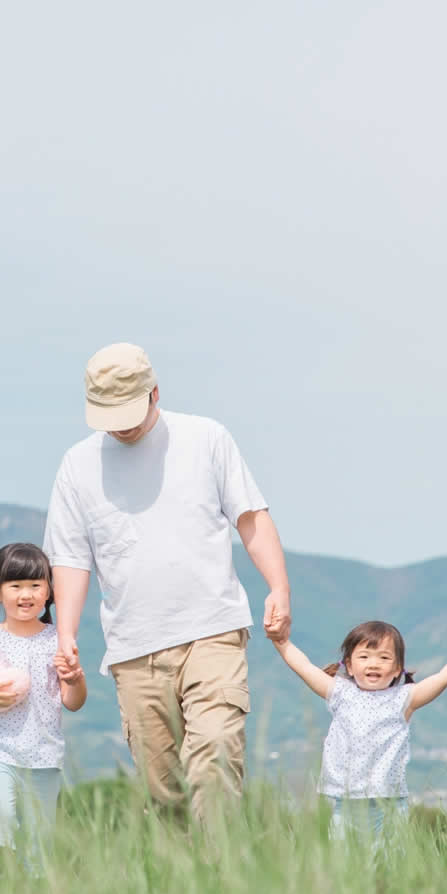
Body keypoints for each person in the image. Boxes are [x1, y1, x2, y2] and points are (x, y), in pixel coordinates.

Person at [44, 342, 291, 825]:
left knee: (214, 758)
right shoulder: (78, 465)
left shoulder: (206, 438)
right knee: (165, 795)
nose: (121, 425)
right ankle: (182, 893)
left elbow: (250, 517)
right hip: (133, 647)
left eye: (130, 411)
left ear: (154, 392)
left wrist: (278, 586)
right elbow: (72, 557)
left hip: (212, 629)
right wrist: (66, 634)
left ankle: (226, 884)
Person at [269, 620, 447, 852]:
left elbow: (443, 677)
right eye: (364, 657)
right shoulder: (339, 692)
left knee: (390, 863)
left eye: (384, 658)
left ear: (397, 668)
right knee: (344, 862)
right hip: (344, 800)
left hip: (389, 802)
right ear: (349, 666)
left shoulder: (405, 698)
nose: (374, 664)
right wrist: (282, 642)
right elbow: (305, 667)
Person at [0, 542, 87, 874]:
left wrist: (74, 678)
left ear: (49, 592)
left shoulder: (57, 639)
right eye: (15, 586)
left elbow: (73, 702)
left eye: (35, 585)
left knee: (40, 840)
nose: (25, 594)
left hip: (43, 754)